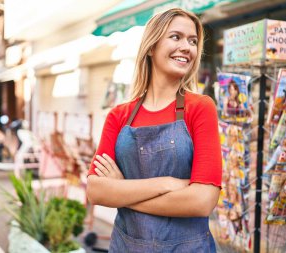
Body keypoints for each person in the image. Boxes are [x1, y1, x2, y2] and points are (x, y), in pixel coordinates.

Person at [86, 8, 222, 252]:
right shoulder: (119, 116)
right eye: (176, 37)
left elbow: (203, 201)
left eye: (193, 41)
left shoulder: (200, 108)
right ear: (151, 46)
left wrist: (124, 192)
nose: (187, 47)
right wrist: (167, 183)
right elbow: (96, 190)